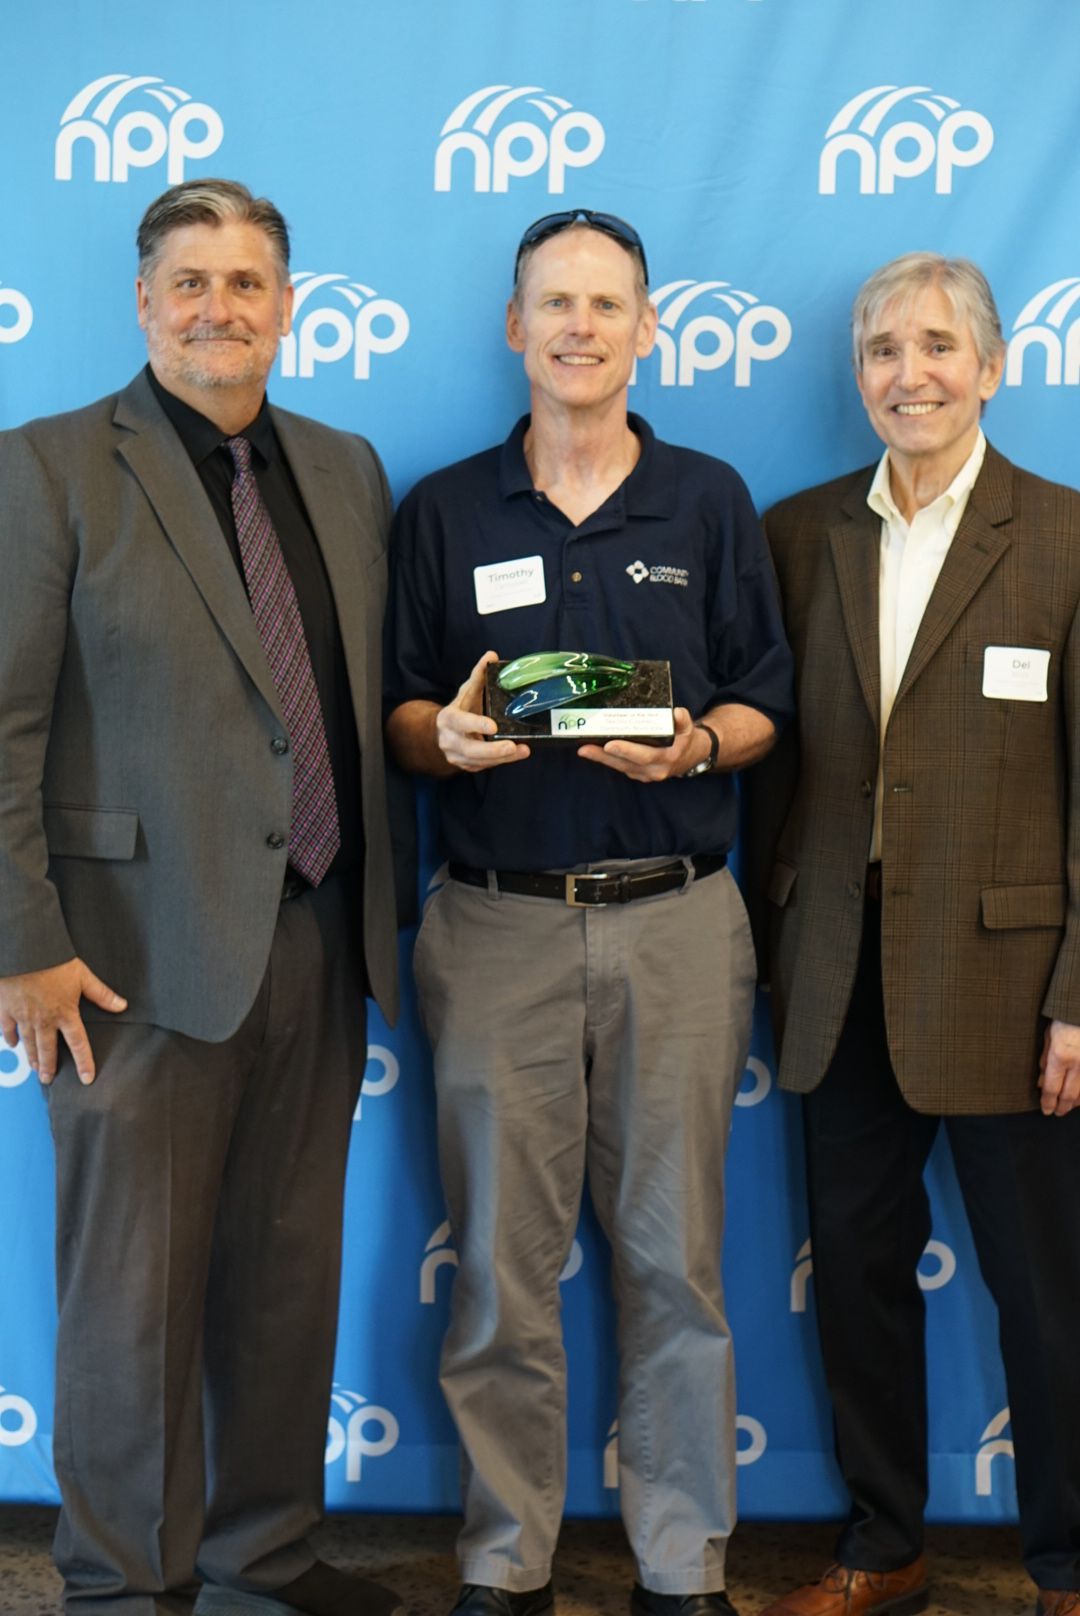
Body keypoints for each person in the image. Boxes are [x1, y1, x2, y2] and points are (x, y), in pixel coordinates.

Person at [0, 179, 407, 1616]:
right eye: (190, 283)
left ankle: (262, 1560)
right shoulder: (44, 468)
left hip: (318, 937)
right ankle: (123, 1585)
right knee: (133, 1305)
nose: (218, 309)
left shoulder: (347, 469)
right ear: (142, 302)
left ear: (289, 304)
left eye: (246, 283)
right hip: (122, 962)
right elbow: (1, 725)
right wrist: (24, 945)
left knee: (284, 1285)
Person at [384, 208, 793, 1616]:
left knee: (676, 1264)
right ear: (514, 326)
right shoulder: (442, 507)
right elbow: (396, 713)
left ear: (645, 328)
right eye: (552, 303)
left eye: (605, 305)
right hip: (494, 924)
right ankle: (509, 1561)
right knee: (502, 1269)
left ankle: (684, 1562)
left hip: (678, 919)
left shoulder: (709, 499)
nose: (577, 326)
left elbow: (766, 701)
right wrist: (449, 739)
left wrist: (694, 745)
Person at [742, 252, 1080, 1616]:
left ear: (994, 367)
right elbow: (771, 770)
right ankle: (887, 1546)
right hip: (837, 974)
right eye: (883, 349)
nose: (909, 372)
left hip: (1012, 986)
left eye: (938, 346)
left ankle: (1066, 1564)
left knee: (1047, 1301)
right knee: (862, 1283)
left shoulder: (1064, 538)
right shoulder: (794, 531)